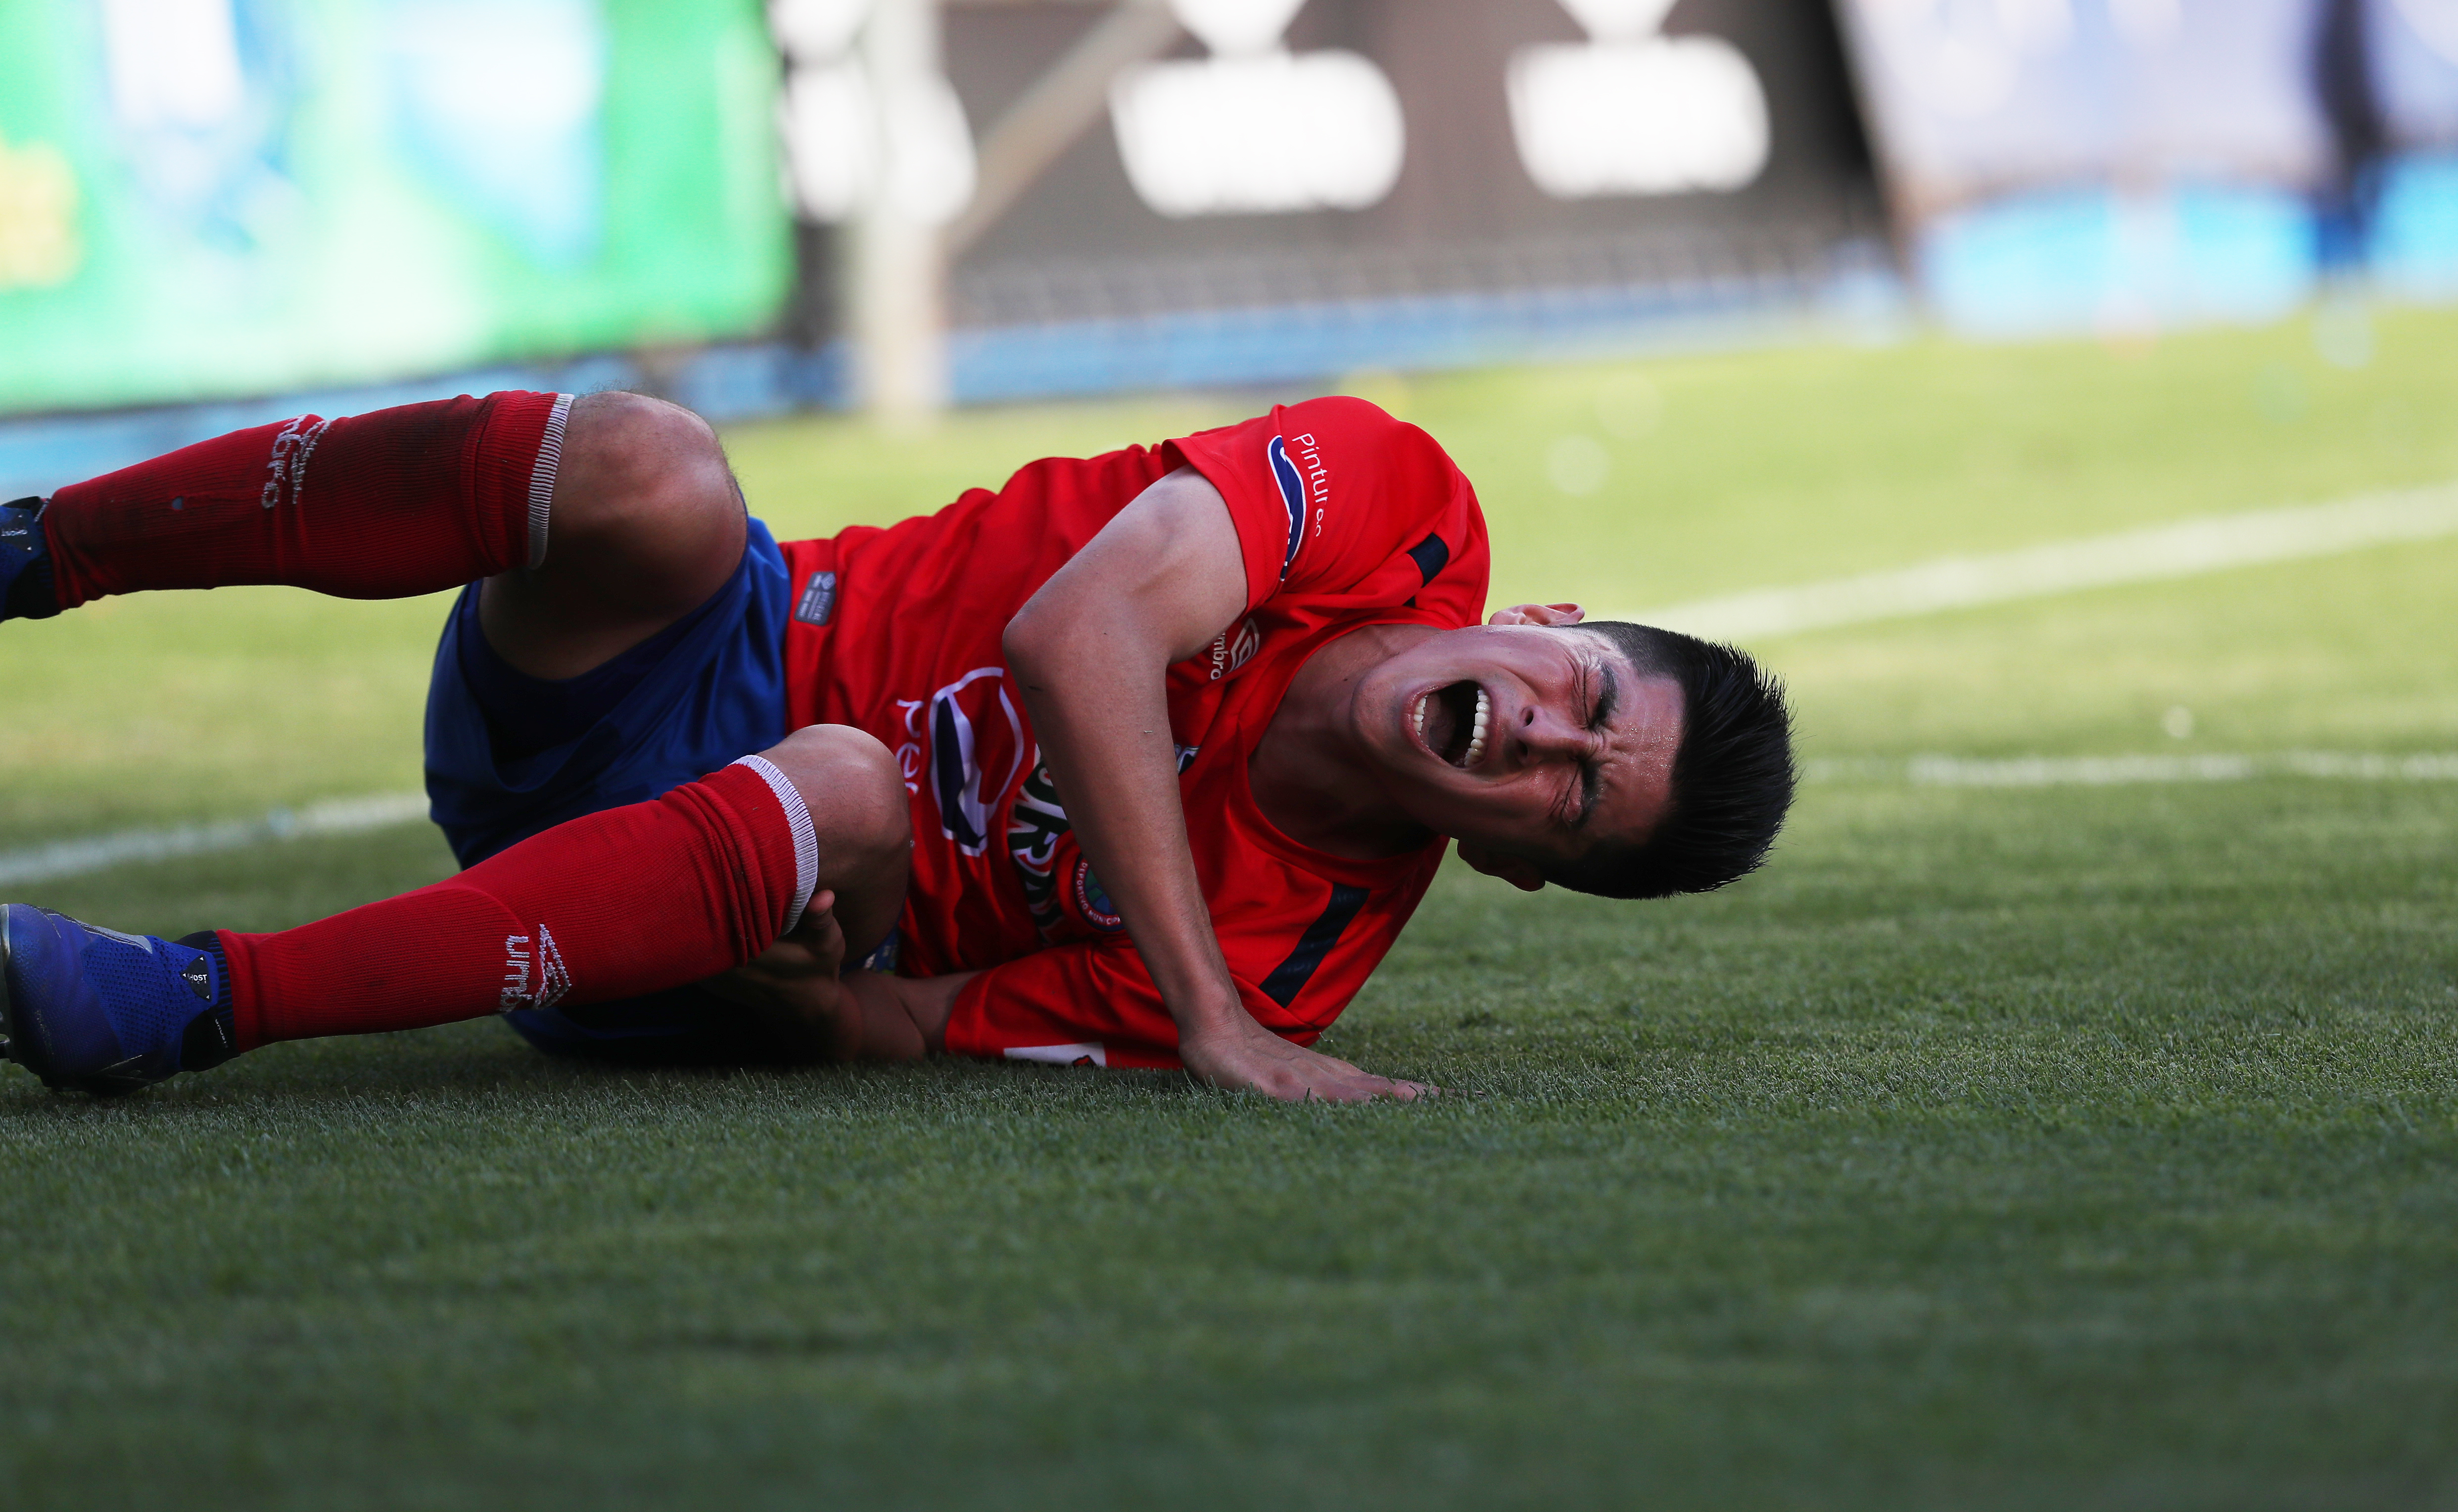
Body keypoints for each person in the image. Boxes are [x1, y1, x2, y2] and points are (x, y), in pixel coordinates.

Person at [0, 390, 1795, 1103]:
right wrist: (1210, 1020)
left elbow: (901, 1027)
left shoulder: (1295, 950)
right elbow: (1074, 628)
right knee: (656, 472)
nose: (1543, 746)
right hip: (682, 646)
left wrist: (798, 1001)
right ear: (1553, 626)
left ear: (1507, 861)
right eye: (1590, 706)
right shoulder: (1396, 504)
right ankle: (42, 550)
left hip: (687, 921)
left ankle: (186, 1002)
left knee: (854, 786)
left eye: (1569, 803)